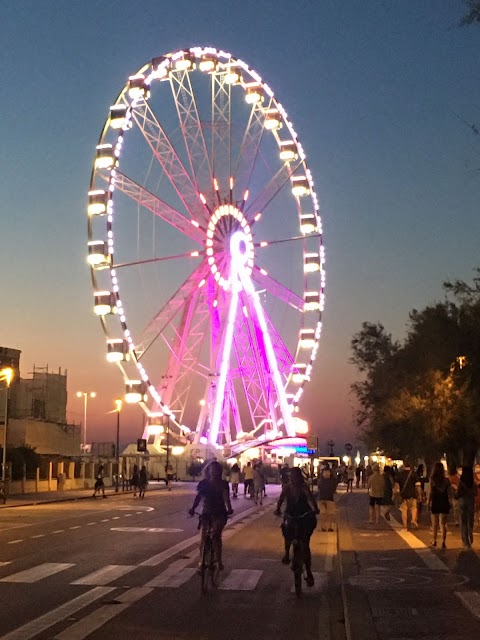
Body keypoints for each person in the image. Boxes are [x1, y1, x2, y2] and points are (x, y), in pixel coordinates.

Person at [274, 467, 319, 587]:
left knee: (305, 544)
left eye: (295, 476)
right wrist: (278, 509)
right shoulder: (287, 487)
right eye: (291, 476)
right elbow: (281, 499)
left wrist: (315, 509)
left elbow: (311, 498)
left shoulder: (304, 487)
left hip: (304, 516)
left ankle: (308, 571)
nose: (293, 479)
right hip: (291, 515)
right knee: (286, 531)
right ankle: (287, 554)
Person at [188, 461, 233, 570]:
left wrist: (229, 508)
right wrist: (193, 508)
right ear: (208, 471)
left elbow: (226, 497)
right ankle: (201, 561)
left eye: (216, 470)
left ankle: (218, 561)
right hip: (207, 512)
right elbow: (198, 497)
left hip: (219, 512)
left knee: (216, 535)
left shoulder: (223, 484)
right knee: (203, 537)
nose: (214, 472)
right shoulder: (203, 483)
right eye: (212, 470)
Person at [427, 462, 452, 548]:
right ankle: (443, 542)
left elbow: (430, 492)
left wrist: (428, 502)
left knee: (435, 523)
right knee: (443, 523)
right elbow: (450, 493)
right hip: (444, 501)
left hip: (435, 501)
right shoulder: (447, 480)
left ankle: (434, 540)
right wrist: (451, 502)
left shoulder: (432, 480)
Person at [395, 460, 421, 531]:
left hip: (403, 495)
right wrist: (420, 495)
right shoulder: (414, 474)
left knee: (404, 511)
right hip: (413, 495)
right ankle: (413, 519)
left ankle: (405, 527)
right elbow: (418, 486)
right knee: (414, 508)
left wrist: (396, 495)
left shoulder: (400, 474)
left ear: (403, 465)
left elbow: (397, 487)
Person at [456, 465, 478, 549]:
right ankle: (470, 535)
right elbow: (476, 493)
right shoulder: (473, 483)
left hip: (462, 502)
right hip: (471, 502)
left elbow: (458, 494)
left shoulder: (461, 483)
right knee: (470, 521)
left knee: (463, 521)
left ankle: (466, 542)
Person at [317, 466, 337, 531]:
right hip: (329, 498)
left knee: (322, 513)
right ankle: (329, 527)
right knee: (330, 513)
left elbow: (319, 488)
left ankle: (323, 526)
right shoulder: (332, 481)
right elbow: (334, 489)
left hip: (321, 498)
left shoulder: (320, 481)